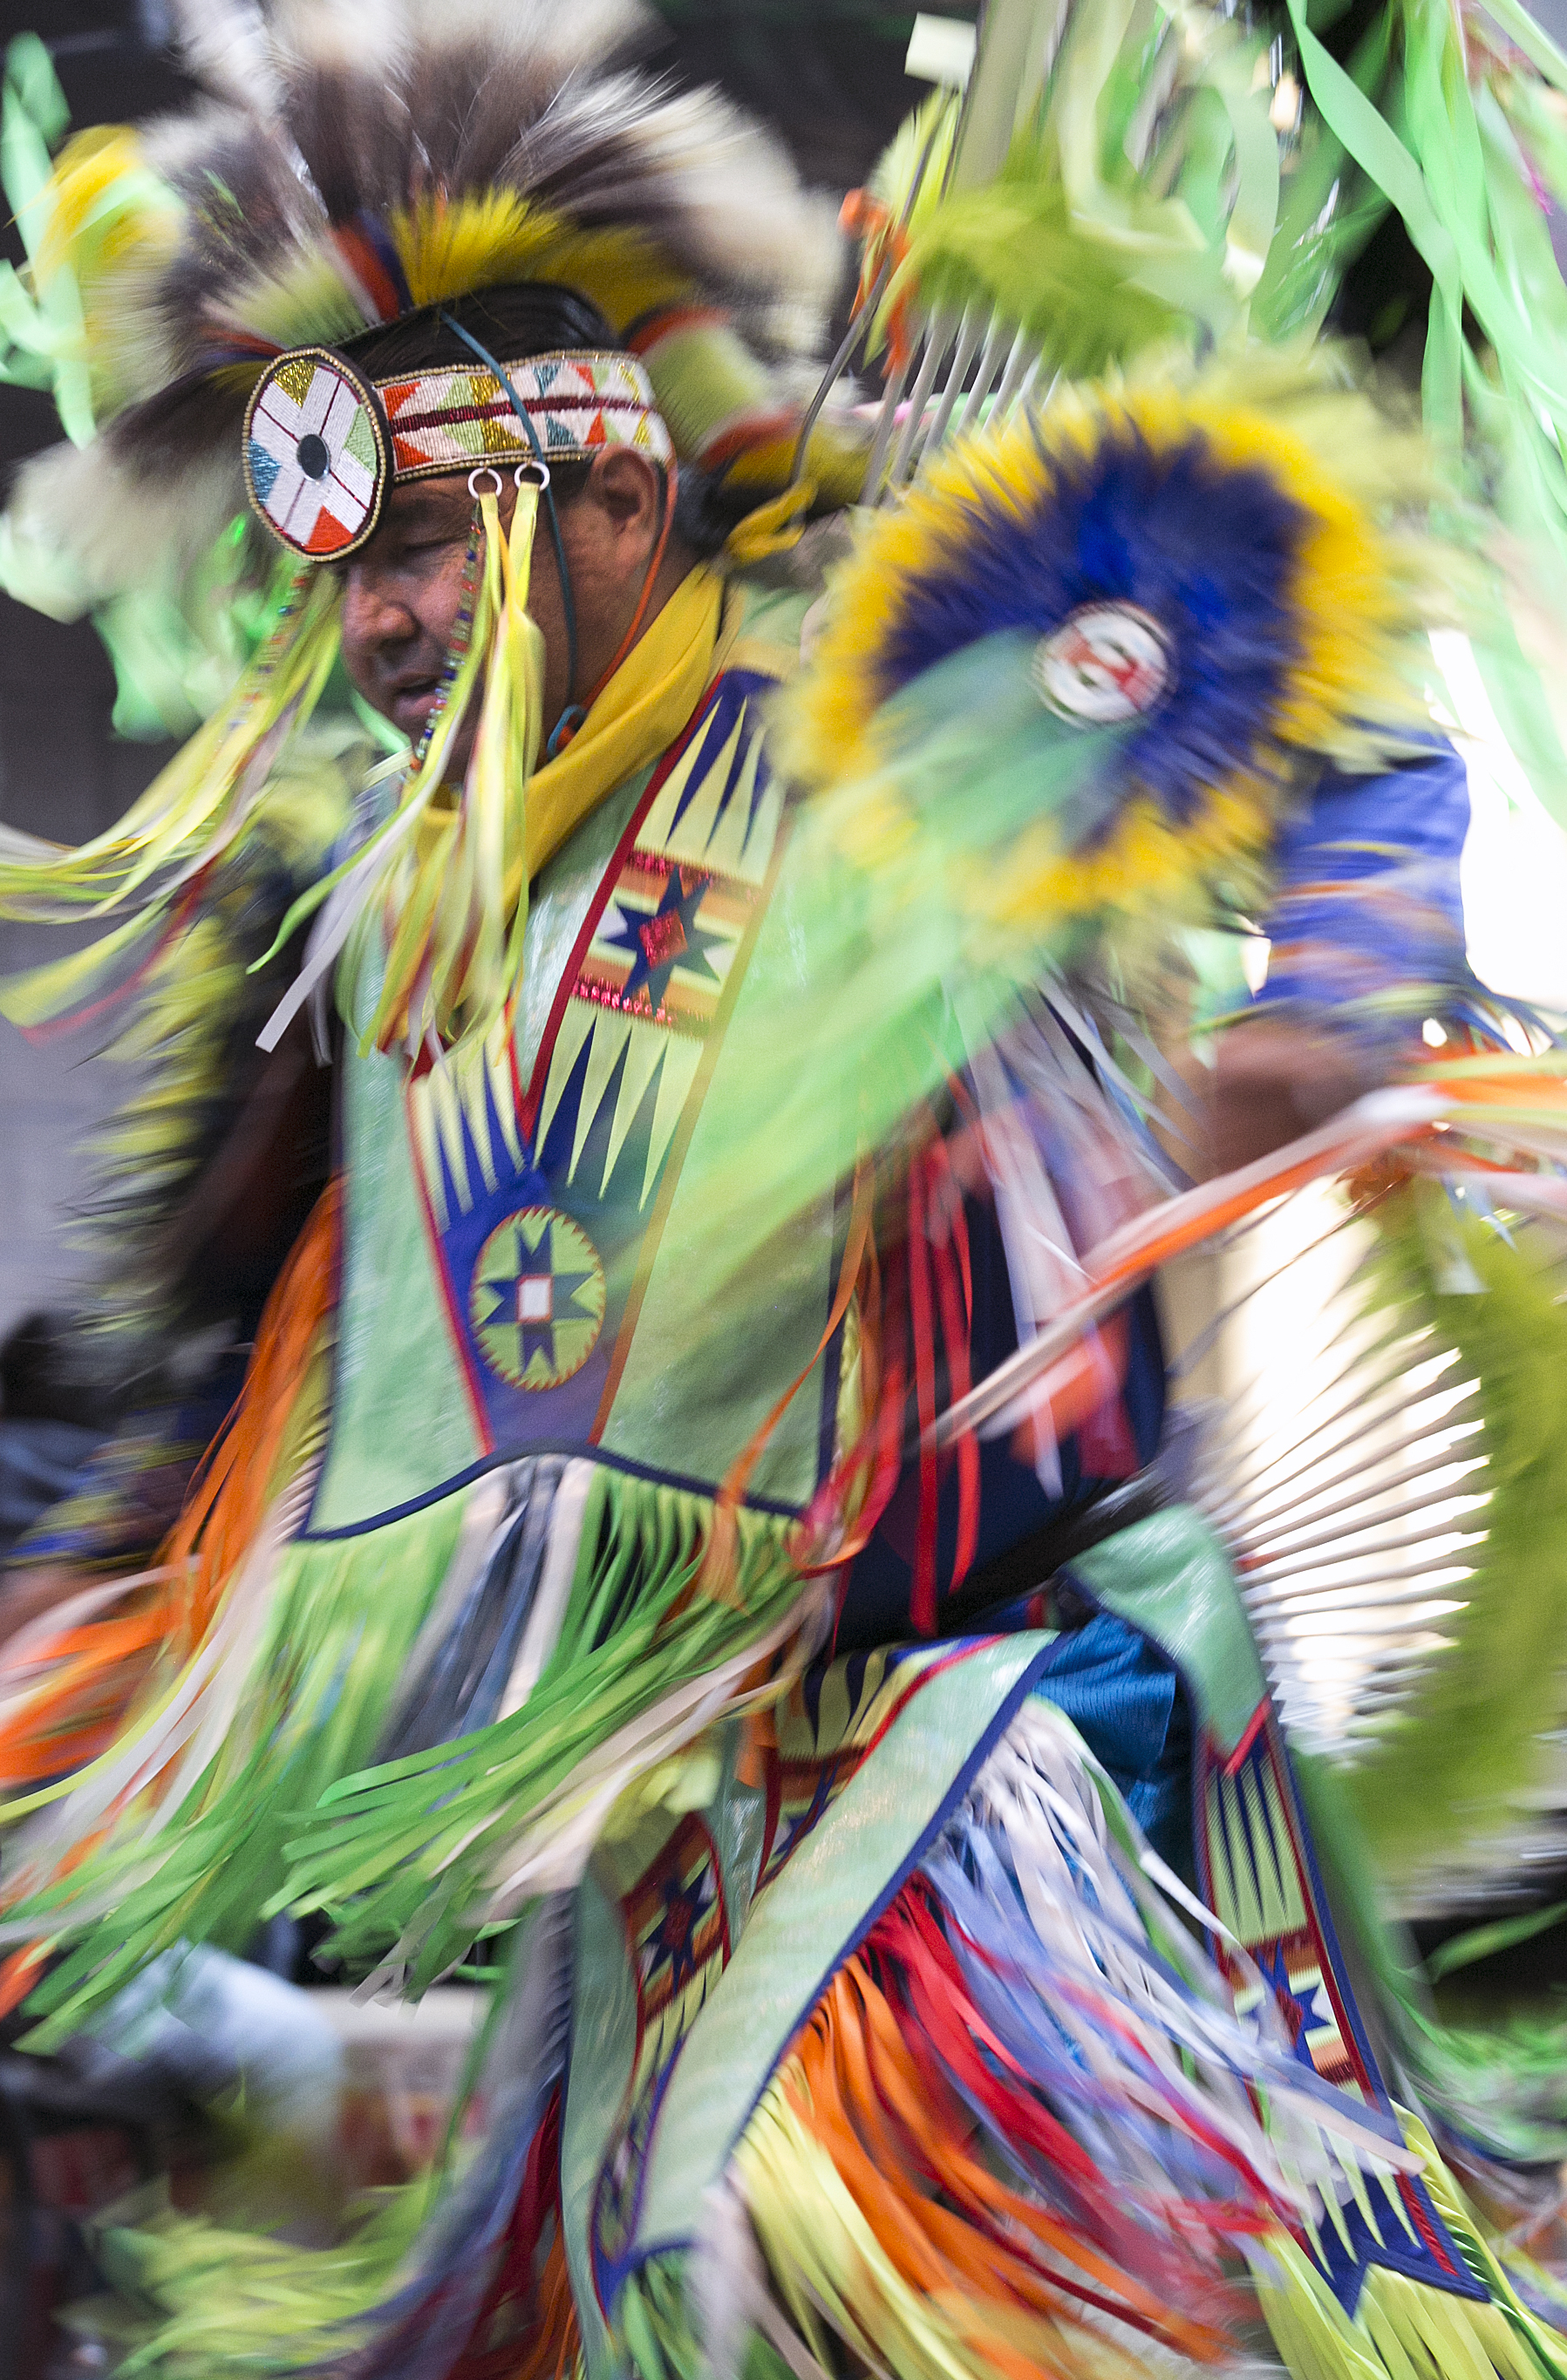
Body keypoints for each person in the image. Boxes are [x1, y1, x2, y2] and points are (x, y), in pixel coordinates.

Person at [5, 4, 1567, 2377]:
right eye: (351, 578)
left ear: (612, 496)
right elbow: (199, 1403)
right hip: (666, 1850)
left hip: (1020, 1751)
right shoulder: (370, 920)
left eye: (428, 546)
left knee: (948, 2285)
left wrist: (1326, 1010)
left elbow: (1290, 625)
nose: (387, 627)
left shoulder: (885, 710)